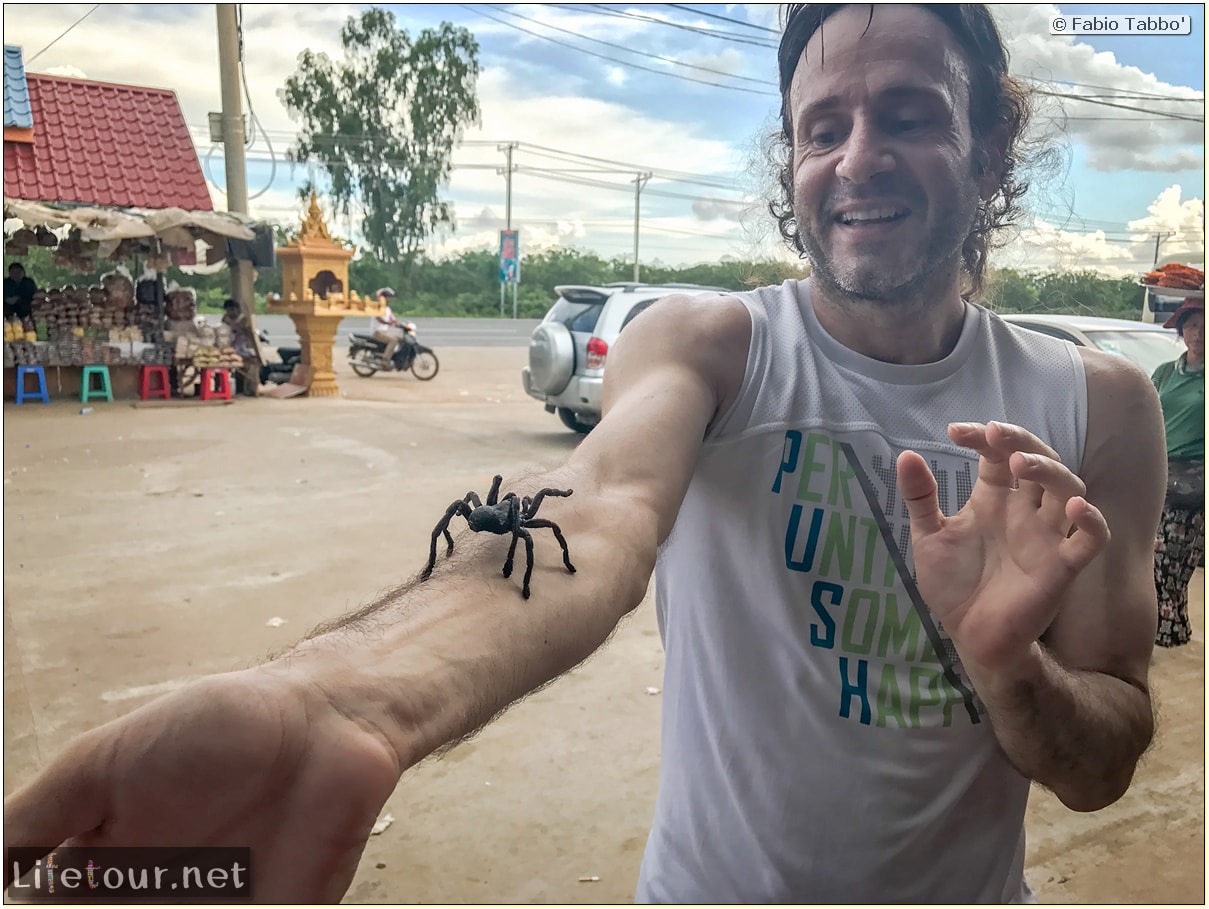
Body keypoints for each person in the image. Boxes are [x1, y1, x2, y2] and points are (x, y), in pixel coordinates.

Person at [4, 5, 1166, 903]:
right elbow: (596, 506)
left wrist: (1009, 662)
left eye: (908, 115)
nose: (857, 158)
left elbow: (1101, 764)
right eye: (825, 127)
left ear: (991, 140)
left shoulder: (1098, 408)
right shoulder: (714, 345)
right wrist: (339, 698)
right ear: (792, 158)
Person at [1151, 297, 1205, 647]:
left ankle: (1170, 634)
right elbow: (1147, 416)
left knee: (1173, 560)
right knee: (1151, 557)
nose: (1198, 334)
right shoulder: (1166, 372)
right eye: (1191, 326)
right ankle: (1168, 633)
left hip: (1193, 481)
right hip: (1157, 473)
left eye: (1204, 326)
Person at [221, 298, 261, 396]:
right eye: (228, 310)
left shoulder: (243, 319)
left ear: (237, 309)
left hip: (242, 347)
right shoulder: (225, 318)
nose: (230, 312)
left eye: (232, 310)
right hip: (228, 347)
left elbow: (249, 334)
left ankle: (242, 389)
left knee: (243, 367)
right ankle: (221, 387)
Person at [371, 287, 405, 368]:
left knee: (400, 338)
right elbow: (379, 319)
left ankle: (396, 358)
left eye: (390, 297)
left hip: (384, 332)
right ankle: (385, 360)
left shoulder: (388, 309)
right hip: (377, 332)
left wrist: (401, 325)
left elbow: (393, 319)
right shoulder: (377, 307)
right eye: (388, 297)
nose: (389, 299)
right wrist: (388, 323)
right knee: (393, 340)